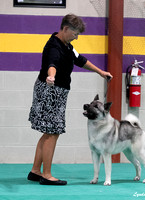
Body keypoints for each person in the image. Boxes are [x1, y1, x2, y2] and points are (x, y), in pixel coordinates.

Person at [27, 14, 112, 186]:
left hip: (56, 91)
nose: (77, 37)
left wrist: (100, 72)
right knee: (53, 132)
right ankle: (47, 175)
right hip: (51, 90)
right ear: (65, 29)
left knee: (48, 131)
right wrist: (51, 77)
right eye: (75, 33)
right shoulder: (54, 46)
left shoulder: (66, 45)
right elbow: (52, 64)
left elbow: (80, 60)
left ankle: (36, 171)